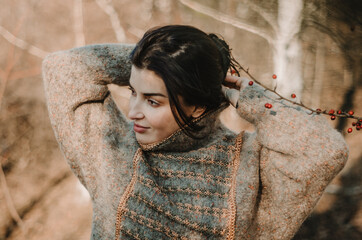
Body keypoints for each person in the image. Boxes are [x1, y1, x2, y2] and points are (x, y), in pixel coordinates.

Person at [42, 25, 348, 240]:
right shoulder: (113, 150)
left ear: (199, 107)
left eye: (152, 101)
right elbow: (64, 68)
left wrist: (253, 101)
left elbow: (324, 151)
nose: (133, 111)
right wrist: (161, 63)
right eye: (132, 91)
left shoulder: (250, 164)